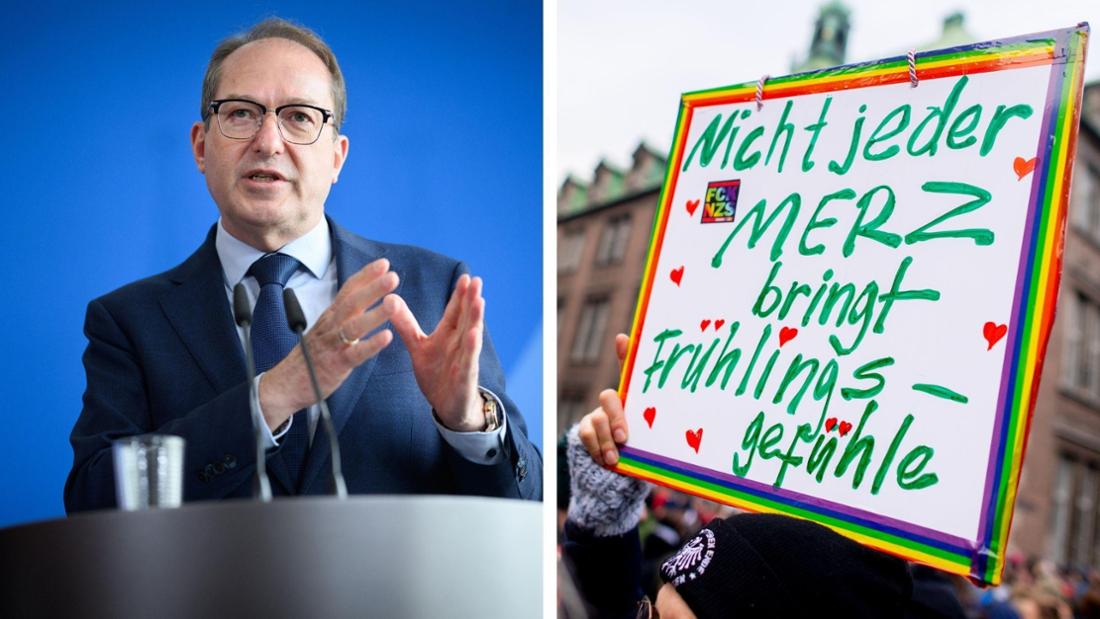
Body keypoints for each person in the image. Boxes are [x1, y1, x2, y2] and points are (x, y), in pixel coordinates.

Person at [64, 18, 540, 511]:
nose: (268, 141)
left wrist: (466, 420)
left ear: (337, 157)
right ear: (201, 147)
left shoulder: (434, 289)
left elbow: (528, 502)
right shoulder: (127, 320)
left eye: (298, 117)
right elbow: (93, 503)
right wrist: (270, 397)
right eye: (242, 113)